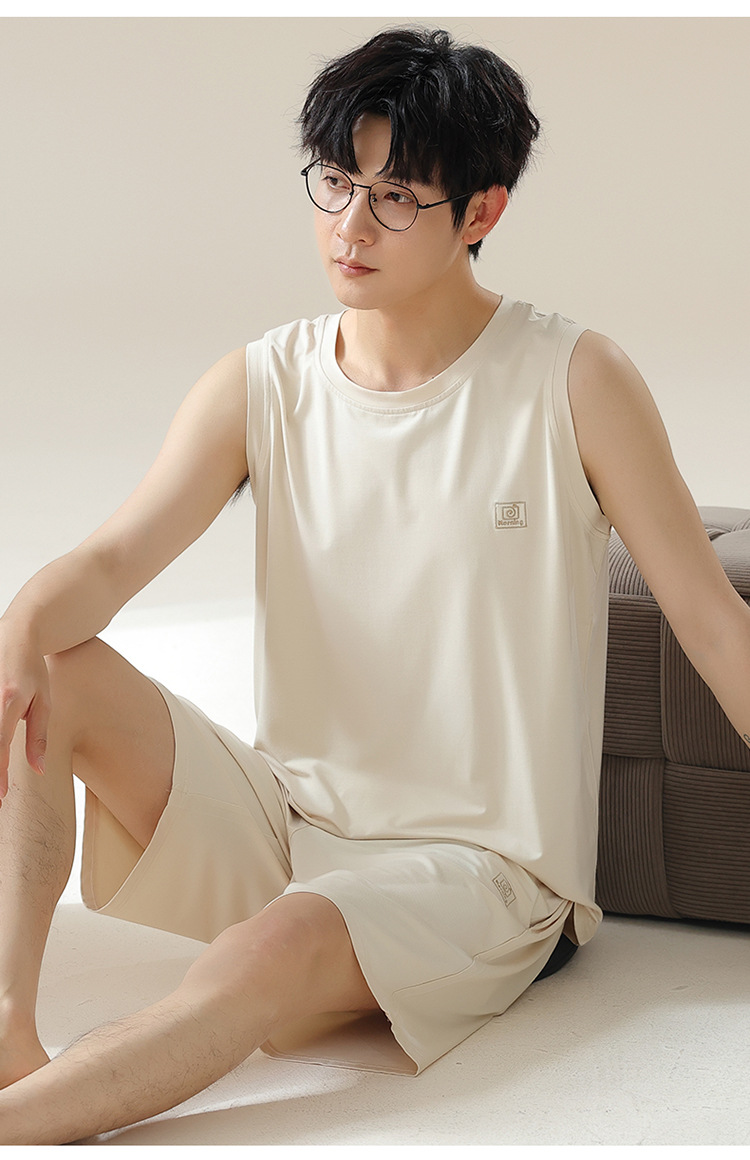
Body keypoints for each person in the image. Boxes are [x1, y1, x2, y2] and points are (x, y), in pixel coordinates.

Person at [0, 25, 748, 1145]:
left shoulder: (572, 378)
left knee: (268, 947)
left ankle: (19, 1123)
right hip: (291, 817)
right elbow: (110, 562)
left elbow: (713, 624)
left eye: (397, 197)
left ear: (482, 212)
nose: (350, 225)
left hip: (486, 872)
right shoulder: (263, 380)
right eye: (337, 181)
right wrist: (18, 631)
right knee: (49, 662)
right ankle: (10, 1026)